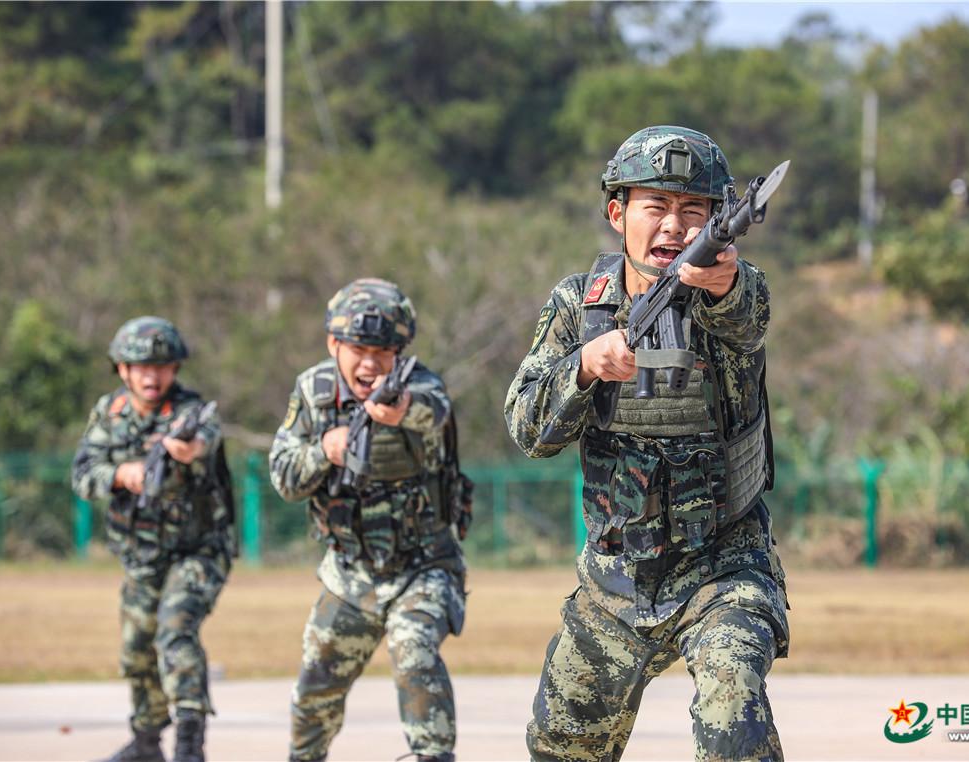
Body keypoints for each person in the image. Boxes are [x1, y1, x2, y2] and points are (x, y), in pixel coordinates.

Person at [505, 125, 790, 762]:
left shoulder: (733, 293)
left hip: (724, 569)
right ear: (618, 214)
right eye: (656, 206)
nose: (675, 226)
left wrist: (723, 284)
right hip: (615, 578)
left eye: (694, 210)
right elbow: (527, 429)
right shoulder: (579, 305)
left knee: (732, 713)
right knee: (561, 749)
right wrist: (584, 368)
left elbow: (748, 318)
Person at [270, 278, 468, 762]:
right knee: (315, 687)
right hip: (350, 573)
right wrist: (325, 449)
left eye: (383, 351)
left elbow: (434, 411)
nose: (370, 364)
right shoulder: (313, 392)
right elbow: (284, 477)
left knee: (414, 650)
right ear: (333, 345)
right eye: (358, 349)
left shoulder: (419, 386)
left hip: (425, 567)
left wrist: (400, 410)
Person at [72, 316, 234, 762]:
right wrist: (122, 474)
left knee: (175, 631)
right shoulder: (110, 414)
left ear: (175, 369)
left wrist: (189, 450)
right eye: (142, 367)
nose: (152, 376)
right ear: (123, 370)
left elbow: (205, 440)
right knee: (136, 648)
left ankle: (189, 744)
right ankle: (146, 744)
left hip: (199, 551)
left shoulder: (191, 413)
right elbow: (83, 474)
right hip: (142, 556)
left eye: (161, 367)